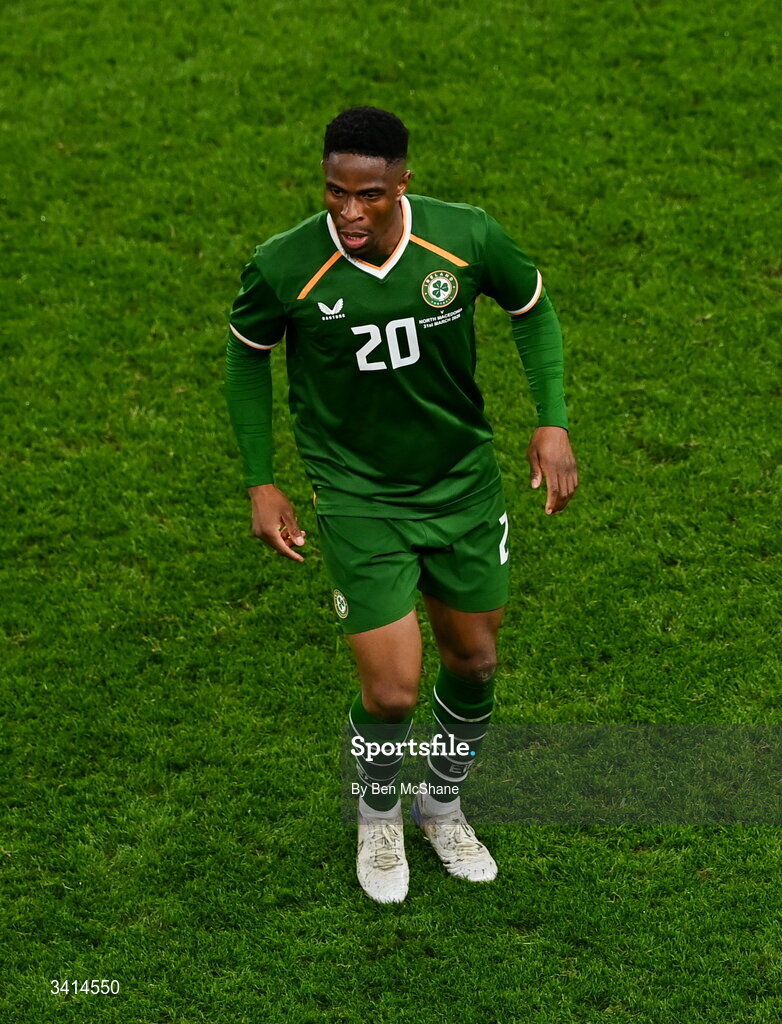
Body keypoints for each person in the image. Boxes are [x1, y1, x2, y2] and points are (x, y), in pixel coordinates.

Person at [225, 106, 578, 903]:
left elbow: (533, 311)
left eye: (370, 195)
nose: (350, 212)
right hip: (358, 496)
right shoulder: (285, 265)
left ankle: (440, 804)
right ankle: (378, 812)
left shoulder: (466, 237)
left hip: (461, 485)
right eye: (334, 193)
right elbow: (246, 357)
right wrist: (261, 477)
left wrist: (551, 420)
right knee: (392, 691)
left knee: (476, 663)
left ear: (403, 185)